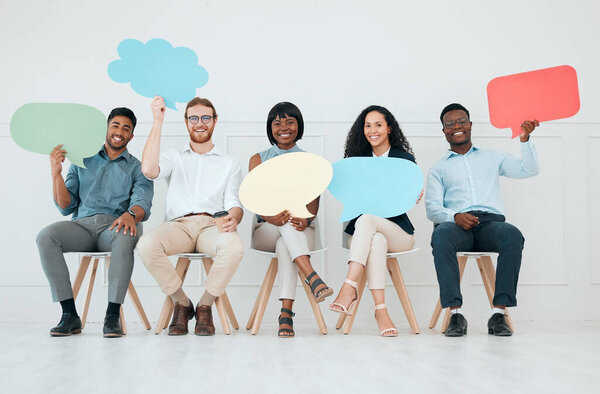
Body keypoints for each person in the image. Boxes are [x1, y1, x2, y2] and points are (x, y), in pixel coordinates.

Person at [36, 107, 154, 338]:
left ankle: (112, 316)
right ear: (107, 129)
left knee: (126, 233)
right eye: (115, 126)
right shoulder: (82, 160)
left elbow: (143, 202)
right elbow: (65, 206)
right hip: (82, 226)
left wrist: (131, 214)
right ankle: (69, 315)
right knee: (46, 236)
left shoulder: (138, 168)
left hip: (114, 227)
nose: (119, 131)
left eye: (126, 128)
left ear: (131, 136)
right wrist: (56, 174)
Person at [425, 103, 539, 337]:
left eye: (461, 121)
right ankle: (455, 315)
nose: (457, 126)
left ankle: (499, 314)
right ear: (444, 131)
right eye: (450, 123)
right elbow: (432, 208)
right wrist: (454, 216)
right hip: (457, 226)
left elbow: (529, 170)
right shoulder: (439, 169)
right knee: (441, 234)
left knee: (512, 235)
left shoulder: (492, 157)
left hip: (490, 224)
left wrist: (525, 140)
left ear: (470, 125)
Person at [137, 96, 244, 336]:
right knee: (146, 244)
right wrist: (157, 121)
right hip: (179, 226)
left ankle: (205, 304)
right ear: (186, 122)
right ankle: (182, 303)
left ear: (215, 121)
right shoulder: (174, 156)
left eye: (206, 117)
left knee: (235, 247)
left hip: (211, 226)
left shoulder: (229, 163)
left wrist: (234, 217)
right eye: (193, 118)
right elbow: (148, 170)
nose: (200, 123)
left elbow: (234, 203)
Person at [329, 105, 419, 337]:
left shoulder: (404, 160)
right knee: (376, 240)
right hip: (365, 235)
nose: (372, 130)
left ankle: (349, 286)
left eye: (378, 124)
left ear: (389, 128)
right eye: (367, 126)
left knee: (368, 219)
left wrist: (412, 194)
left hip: (398, 233)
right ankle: (381, 311)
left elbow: (407, 195)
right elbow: (350, 196)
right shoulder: (357, 161)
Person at [249, 102, 332, 338]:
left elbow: (313, 205)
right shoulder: (258, 159)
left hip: (299, 230)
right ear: (270, 128)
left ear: (299, 126)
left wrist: (306, 220)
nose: (283, 127)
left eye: (290, 122)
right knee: (283, 221)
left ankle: (286, 314)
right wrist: (270, 216)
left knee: (286, 241)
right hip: (265, 229)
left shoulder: (310, 160)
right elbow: (254, 199)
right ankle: (312, 276)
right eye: (277, 123)